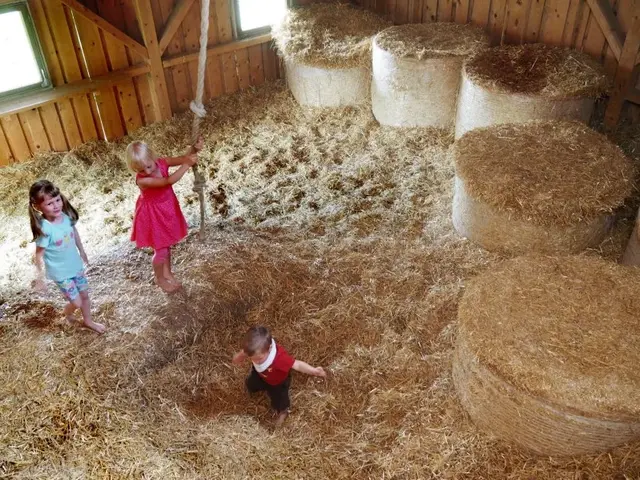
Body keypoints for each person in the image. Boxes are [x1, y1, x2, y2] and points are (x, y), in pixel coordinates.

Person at [125, 138, 202, 293]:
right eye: (140, 170)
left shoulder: (163, 162)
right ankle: (159, 278)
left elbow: (184, 158)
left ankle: (167, 273)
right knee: (161, 250)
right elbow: (167, 181)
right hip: (153, 216)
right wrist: (187, 165)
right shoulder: (143, 181)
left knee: (166, 246)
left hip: (166, 209)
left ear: (153, 158)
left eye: (148, 166)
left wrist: (193, 149)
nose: (147, 172)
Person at [29, 180, 106, 334]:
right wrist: (39, 278)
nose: (56, 205)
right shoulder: (45, 229)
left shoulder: (65, 216)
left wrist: (82, 251)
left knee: (84, 295)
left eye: (58, 200)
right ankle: (67, 312)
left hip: (75, 265)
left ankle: (88, 321)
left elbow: (74, 232)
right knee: (76, 302)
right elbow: (38, 255)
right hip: (61, 273)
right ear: (38, 207)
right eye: (50, 203)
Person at [232, 326, 327, 426]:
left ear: (269, 349)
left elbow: (297, 364)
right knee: (250, 384)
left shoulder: (279, 359)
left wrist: (314, 371)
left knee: (279, 399)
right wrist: (239, 357)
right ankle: (253, 388)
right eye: (253, 358)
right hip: (260, 374)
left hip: (277, 381)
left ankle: (283, 412)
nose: (256, 361)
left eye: (259, 358)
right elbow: (244, 353)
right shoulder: (254, 349)